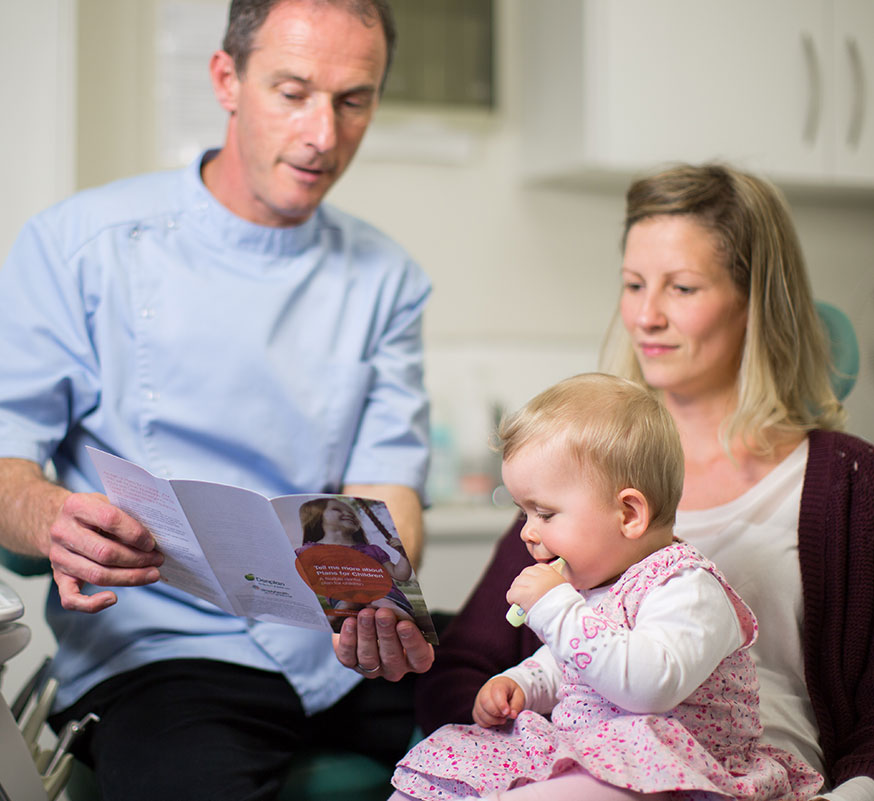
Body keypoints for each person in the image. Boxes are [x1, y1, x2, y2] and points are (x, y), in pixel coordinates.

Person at [0, 1, 436, 798]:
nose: (323, 137)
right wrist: (53, 517)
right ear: (226, 78)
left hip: (338, 643)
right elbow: (6, 464)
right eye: (292, 92)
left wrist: (373, 589)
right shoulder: (80, 246)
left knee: (543, 736)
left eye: (354, 100)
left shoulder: (387, 277)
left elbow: (389, 485)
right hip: (164, 650)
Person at [416, 163, 874, 801]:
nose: (646, 316)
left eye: (682, 288)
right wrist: (514, 722)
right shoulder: (581, 474)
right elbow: (466, 666)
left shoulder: (848, 485)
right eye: (633, 285)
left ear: (755, 302)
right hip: (592, 765)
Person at [393, 373, 821, 801]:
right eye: (524, 513)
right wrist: (522, 683)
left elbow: (648, 684)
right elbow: (567, 665)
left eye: (543, 513)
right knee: (447, 773)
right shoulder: (593, 587)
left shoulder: (688, 588)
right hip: (589, 752)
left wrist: (557, 609)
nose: (527, 532)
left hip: (669, 768)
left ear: (629, 514)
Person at [297, 497, 416, 626]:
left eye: (352, 512)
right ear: (316, 516)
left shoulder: (372, 550)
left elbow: (400, 575)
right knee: (347, 603)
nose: (348, 514)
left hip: (384, 594)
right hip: (344, 596)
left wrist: (403, 555)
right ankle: (334, 621)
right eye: (337, 509)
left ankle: (406, 621)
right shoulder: (308, 551)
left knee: (384, 604)